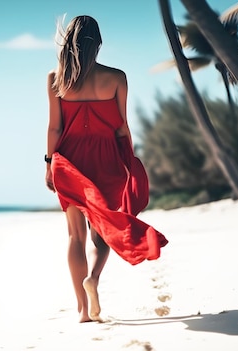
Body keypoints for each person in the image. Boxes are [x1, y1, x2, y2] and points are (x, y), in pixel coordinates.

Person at [44, 15, 168, 323]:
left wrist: (49, 165)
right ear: (99, 44)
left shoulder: (56, 78)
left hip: (69, 161)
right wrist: (129, 162)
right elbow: (122, 127)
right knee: (104, 232)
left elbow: (54, 127)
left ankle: (83, 311)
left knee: (75, 236)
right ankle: (95, 279)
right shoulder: (116, 77)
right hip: (107, 159)